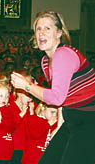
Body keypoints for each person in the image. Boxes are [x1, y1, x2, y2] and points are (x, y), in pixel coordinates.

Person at [11, 10, 95, 164]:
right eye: (38, 29)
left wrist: (27, 86)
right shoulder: (46, 61)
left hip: (89, 122)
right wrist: (60, 125)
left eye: (47, 28)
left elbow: (56, 98)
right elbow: (64, 97)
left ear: (59, 33)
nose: (41, 33)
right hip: (72, 120)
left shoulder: (63, 55)